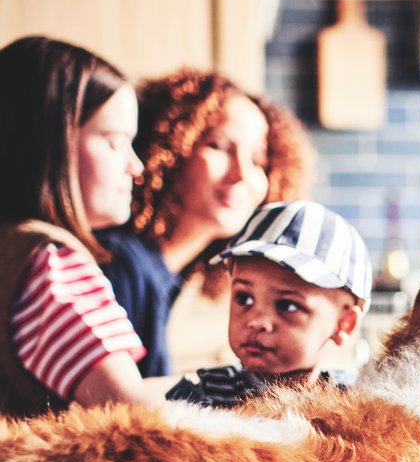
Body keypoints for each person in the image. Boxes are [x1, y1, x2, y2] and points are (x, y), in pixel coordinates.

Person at [104, 68, 314, 378]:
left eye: (258, 161)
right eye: (218, 146)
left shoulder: (171, 273)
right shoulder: (122, 267)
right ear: (170, 149)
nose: (242, 174)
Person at [0, 35, 170, 415]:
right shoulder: (49, 266)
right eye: (114, 142)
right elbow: (136, 418)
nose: (136, 166)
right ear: (47, 143)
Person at [166, 200, 370, 408]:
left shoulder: (355, 401)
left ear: (344, 323)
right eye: (244, 298)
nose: (256, 321)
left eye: (287, 305)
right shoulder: (202, 394)